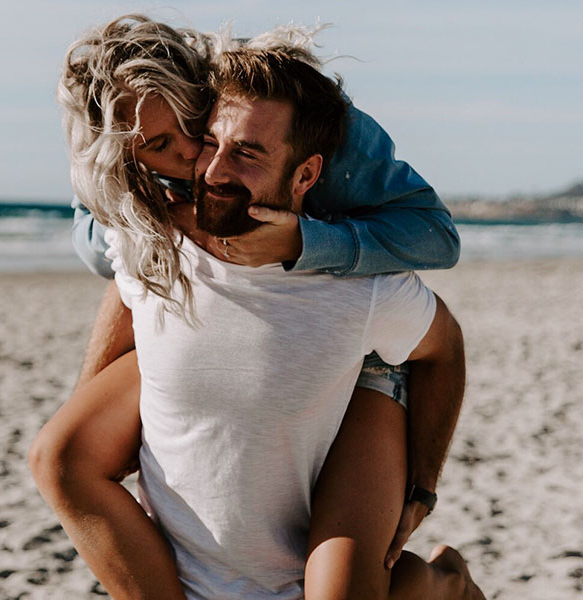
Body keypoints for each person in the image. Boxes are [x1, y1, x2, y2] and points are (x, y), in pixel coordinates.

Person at [29, 15, 482, 599]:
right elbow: (128, 274)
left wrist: (302, 243)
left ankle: (443, 583)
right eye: (167, 147)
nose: (201, 159)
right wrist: (105, 427)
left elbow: (437, 242)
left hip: (361, 345)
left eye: (195, 126)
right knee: (60, 454)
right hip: (192, 309)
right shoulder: (123, 195)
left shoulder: (321, 133)